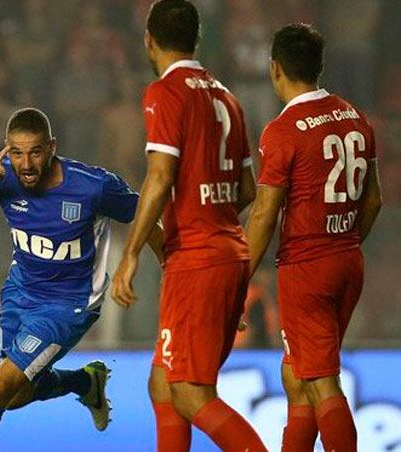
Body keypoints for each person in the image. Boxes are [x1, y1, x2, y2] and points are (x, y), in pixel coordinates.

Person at [0, 107, 159, 451]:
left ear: (52, 147)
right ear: (6, 150)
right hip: (19, 292)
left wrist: (168, 268)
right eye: (17, 153)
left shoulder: (94, 187)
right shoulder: (1, 175)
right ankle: (85, 383)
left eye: (36, 152)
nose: (26, 164)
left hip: (68, 306)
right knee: (14, 396)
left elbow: (148, 217)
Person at [110, 1, 267, 450]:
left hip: (197, 261)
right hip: (223, 254)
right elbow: (247, 189)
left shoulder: (164, 93)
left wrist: (133, 252)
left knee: (190, 393)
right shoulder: (227, 97)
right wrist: (210, 215)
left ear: (149, 39)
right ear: (197, 40)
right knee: (163, 385)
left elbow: (159, 177)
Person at [245, 23, 382, 451]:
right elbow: (374, 200)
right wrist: (342, 242)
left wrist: (239, 280)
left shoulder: (282, 131)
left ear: (275, 69)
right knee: (297, 374)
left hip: (307, 270)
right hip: (347, 262)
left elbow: (265, 213)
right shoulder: (355, 117)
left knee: (321, 380)